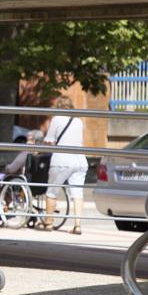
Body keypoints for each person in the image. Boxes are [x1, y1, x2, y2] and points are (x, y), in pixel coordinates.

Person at [38, 95, 87, 234]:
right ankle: (78, 225)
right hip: (80, 160)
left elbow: (49, 140)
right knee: (77, 193)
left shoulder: (56, 118)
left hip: (62, 159)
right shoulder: (78, 120)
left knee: (52, 191)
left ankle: (49, 223)